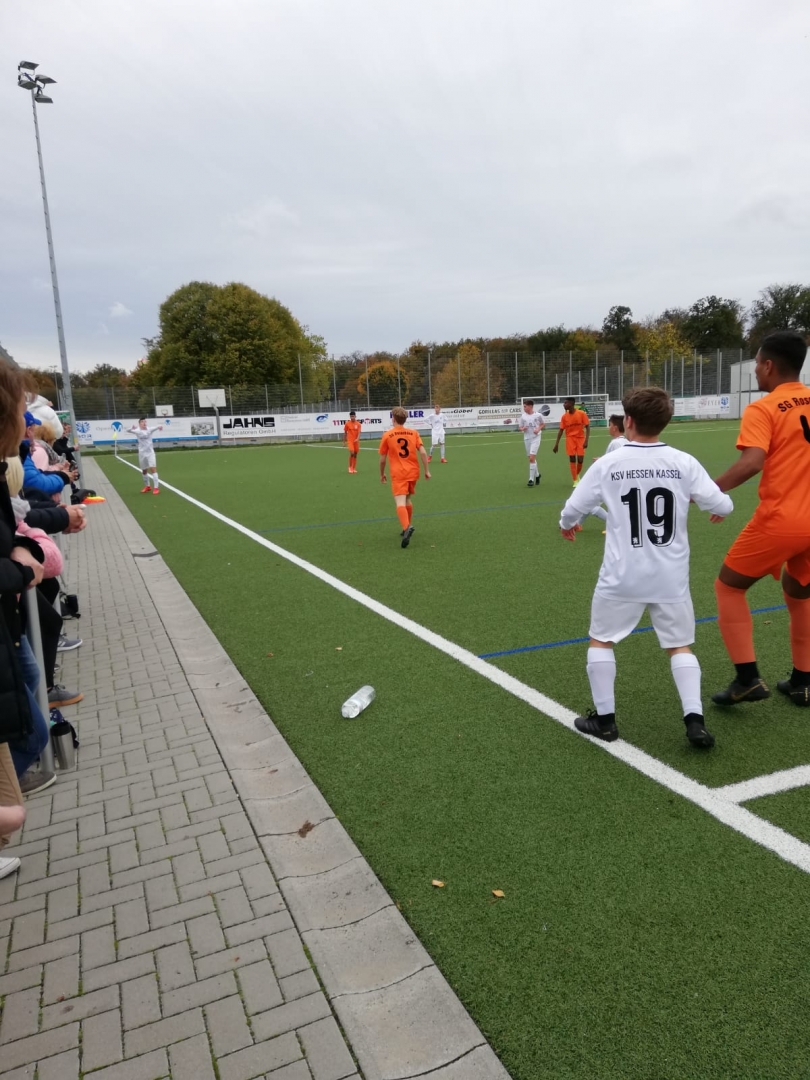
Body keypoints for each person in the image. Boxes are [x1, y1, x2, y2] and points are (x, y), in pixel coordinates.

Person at [559, 387, 733, 748]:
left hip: (622, 574)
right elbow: (723, 505)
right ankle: (695, 722)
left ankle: (605, 722)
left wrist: (567, 524)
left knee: (601, 640)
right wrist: (716, 507)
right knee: (680, 646)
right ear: (665, 422)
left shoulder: (608, 464)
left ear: (629, 421)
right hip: (670, 576)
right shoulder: (683, 461)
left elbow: (573, 508)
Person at [711, 330, 810, 708]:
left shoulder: (764, 408)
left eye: (756, 363)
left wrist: (709, 491)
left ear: (769, 365)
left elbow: (752, 462)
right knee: (799, 593)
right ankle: (803, 682)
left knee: (729, 587)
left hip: (783, 519)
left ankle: (747, 678)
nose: (754, 370)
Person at [379, 406, 431, 548]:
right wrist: (427, 470)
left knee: (400, 502)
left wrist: (382, 474)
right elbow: (423, 452)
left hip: (399, 473)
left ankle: (407, 527)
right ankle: (407, 526)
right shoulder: (414, 433)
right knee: (407, 498)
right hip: (413, 472)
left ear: (393, 419)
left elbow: (383, 459)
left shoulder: (387, 435)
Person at [553, 398, 590, 486]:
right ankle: (575, 480)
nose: (564, 404)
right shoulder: (564, 417)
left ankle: (576, 474)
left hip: (580, 438)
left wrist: (586, 440)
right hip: (570, 439)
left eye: (566, 403)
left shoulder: (581, 414)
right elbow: (561, 430)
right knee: (572, 458)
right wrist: (556, 444)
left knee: (580, 459)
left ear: (571, 404)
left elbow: (587, 427)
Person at [127, 418, 164, 493]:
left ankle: (156, 488)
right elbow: (128, 430)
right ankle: (147, 486)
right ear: (139, 423)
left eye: (145, 421)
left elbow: (158, 426)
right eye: (142, 422)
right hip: (142, 453)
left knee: (153, 469)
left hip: (150, 453)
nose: (144, 423)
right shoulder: (137, 431)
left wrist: (160, 427)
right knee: (144, 470)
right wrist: (132, 427)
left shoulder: (149, 429)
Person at [518, 400, 544, 487]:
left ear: (530, 406)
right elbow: (520, 427)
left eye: (525, 406)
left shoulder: (538, 415)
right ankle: (537, 475)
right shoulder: (523, 416)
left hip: (536, 438)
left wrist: (538, 429)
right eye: (524, 406)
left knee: (532, 458)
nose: (524, 408)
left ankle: (531, 479)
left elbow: (542, 424)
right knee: (531, 458)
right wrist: (523, 429)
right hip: (527, 438)